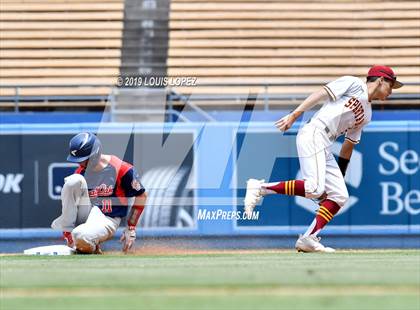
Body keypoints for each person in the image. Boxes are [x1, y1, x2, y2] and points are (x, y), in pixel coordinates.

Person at [244, 65, 403, 252]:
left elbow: (347, 146)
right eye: (391, 85)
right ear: (381, 79)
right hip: (315, 132)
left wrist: (339, 177)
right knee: (314, 188)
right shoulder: (353, 83)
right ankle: (260, 188)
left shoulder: (367, 114)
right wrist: (295, 115)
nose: (391, 91)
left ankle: (308, 238)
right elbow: (320, 94)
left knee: (340, 195)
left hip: (326, 143)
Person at [51, 132, 147, 254]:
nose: (80, 164)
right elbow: (71, 205)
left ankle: (85, 243)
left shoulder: (121, 169)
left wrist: (131, 227)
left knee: (80, 236)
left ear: (95, 154)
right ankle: (78, 241)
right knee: (73, 180)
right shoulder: (80, 173)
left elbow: (141, 196)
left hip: (107, 217)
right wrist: (67, 232)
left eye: (83, 160)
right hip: (86, 214)